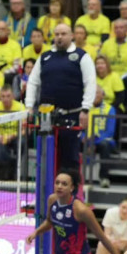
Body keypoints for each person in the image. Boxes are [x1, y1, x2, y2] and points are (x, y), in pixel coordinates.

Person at [26, 24, 97, 171]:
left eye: (63, 34)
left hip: (72, 115)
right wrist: (29, 106)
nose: (60, 37)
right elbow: (32, 82)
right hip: (46, 117)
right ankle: (47, 185)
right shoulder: (45, 57)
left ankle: (71, 185)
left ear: (71, 36)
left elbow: (90, 83)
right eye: (57, 34)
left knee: (70, 157)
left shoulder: (82, 56)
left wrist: (85, 109)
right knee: (46, 157)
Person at [99, 19, 127, 104]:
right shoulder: (106, 44)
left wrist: (120, 78)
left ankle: (122, 106)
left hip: (125, 77)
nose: (118, 30)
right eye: (116, 28)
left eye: (121, 27)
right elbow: (100, 61)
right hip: (108, 76)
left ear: (126, 29)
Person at [84, 85, 117, 188]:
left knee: (105, 145)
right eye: (92, 93)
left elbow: (110, 132)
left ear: (103, 95)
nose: (94, 95)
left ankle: (104, 178)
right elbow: (80, 127)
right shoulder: (84, 109)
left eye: (97, 93)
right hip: (86, 140)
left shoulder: (110, 109)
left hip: (102, 140)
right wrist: (84, 139)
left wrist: (94, 142)